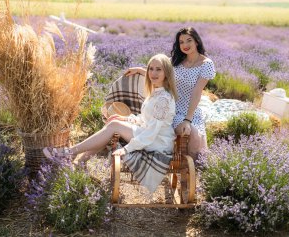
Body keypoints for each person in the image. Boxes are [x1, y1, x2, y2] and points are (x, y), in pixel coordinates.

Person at [43, 54, 178, 192]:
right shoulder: (156, 92)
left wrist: (126, 149)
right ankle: (79, 160)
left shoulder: (164, 99)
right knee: (113, 123)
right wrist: (125, 119)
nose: (153, 73)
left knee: (114, 126)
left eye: (158, 69)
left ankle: (68, 153)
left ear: (166, 72)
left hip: (157, 142)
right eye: (151, 69)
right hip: (149, 134)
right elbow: (145, 120)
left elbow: (151, 132)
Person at [125, 27, 216, 160]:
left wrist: (187, 119)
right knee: (193, 134)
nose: (185, 45)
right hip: (171, 108)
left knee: (197, 138)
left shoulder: (206, 64)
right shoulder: (175, 61)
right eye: (181, 42)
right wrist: (140, 70)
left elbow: (197, 93)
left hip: (191, 112)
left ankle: (193, 172)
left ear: (196, 41)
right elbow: (160, 74)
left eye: (188, 40)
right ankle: (186, 168)